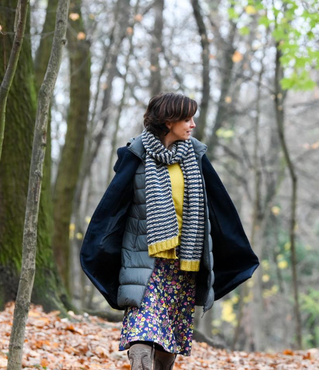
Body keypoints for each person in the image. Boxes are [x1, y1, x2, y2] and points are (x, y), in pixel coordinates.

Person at [80, 93, 259, 370]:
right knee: (141, 335)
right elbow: (113, 209)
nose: (193, 125)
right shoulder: (136, 156)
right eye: (187, 119)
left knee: (168, 345)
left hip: (183, 265)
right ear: (167, 121)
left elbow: (218, 208)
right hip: (145, 263)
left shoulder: (195, 156)